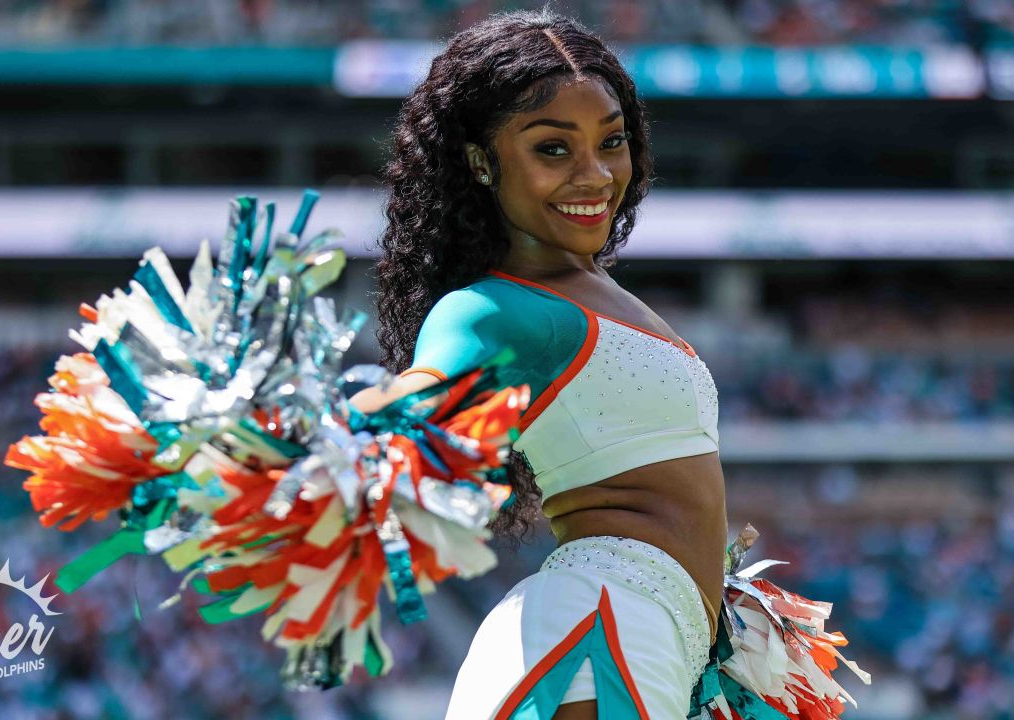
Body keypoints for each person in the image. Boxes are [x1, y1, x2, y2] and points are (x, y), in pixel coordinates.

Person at [350, 9, 861, 719]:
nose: (594, 175)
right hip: (595, 633)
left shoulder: (595, 293)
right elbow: (411, 405)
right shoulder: (494, 310)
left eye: (611, 142)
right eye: (552, 149)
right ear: (479, 160)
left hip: (640, 635)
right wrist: (272, 446)